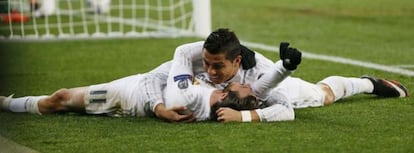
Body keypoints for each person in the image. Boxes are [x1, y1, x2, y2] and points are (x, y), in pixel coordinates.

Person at [150, 28, 408, 122]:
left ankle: (367, 84)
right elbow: (181, 52)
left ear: (237, 61)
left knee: (324, 95)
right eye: (207, 64)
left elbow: (285, 111)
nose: (209, 71)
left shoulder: (258, 71)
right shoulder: (201, 57)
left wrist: (243, 116)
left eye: (218, 67)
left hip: (276, 94)